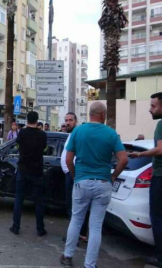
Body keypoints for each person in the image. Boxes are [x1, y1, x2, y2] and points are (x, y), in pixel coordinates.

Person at [60, 102, 128, 268]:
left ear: (90, 114)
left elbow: (68, 159)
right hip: (103, 183)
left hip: (82, 181)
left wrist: (76, 177)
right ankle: (90, 264)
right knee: (95, 226)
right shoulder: (111, 134)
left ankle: (68, 256)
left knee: (76, 220)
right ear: (103, 115)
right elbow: (124, 159)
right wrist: (113, 176)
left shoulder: (78, 131)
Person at [129, 92, 162, 267]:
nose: (150, 109)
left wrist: (140, 154)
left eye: (153, 106)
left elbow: (160, 149)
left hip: (160, 176)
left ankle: (160, 257)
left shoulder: (161, 124)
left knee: (157, 217)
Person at [10, 111, 48, 237]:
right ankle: (40, 229)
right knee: (38, 201)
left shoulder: (22, 133)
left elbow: (17, 145)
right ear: (37, 120)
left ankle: (16, 227)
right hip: (37, 171)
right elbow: (44, 148)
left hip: (23, 169)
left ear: (27, 120)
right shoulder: (42, 134)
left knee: (19, 199)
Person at [61, 112, 89, 243]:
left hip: (74, 174)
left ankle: (74, 237)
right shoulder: (71, 134)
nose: (67, 123)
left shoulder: (77, 133)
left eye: (70, 120)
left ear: (75, 121)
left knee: (73, 207)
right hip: (71, 174)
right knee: (74, 206)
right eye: (66, 120)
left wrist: (73, 175)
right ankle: (81, 233)